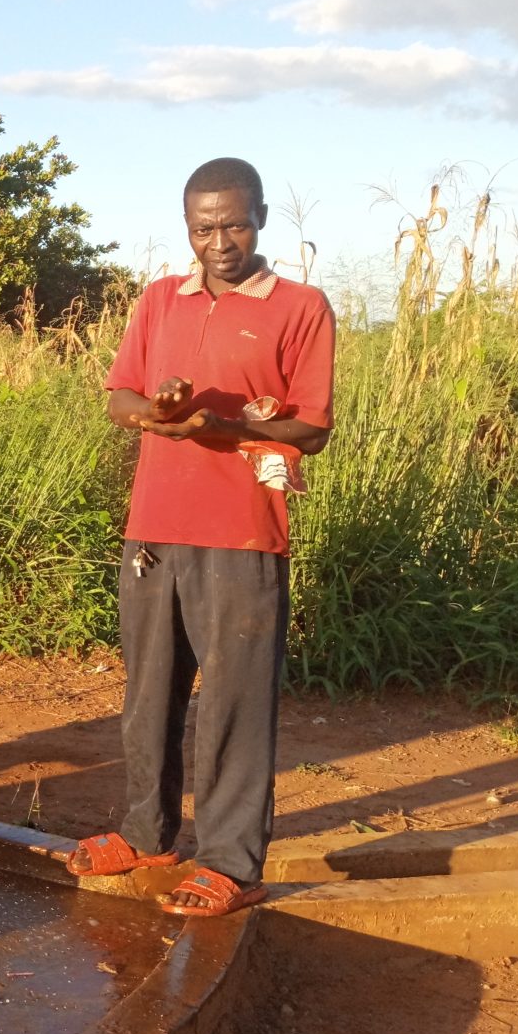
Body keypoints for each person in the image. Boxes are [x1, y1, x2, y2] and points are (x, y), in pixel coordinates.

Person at [66, 157, 336, 917]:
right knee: (148, 693)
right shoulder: (159, 301)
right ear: (187, 227)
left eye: (235, 224)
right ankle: (148, 834)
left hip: (244, 529)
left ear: (261, 218)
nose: (220, 242)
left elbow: (310, 426)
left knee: (234, 699)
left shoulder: (300, 306)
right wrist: (151, 414)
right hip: (154, 525)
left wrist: (221, 428)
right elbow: (121, 392)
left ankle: (231, 861)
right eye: (203, 228)